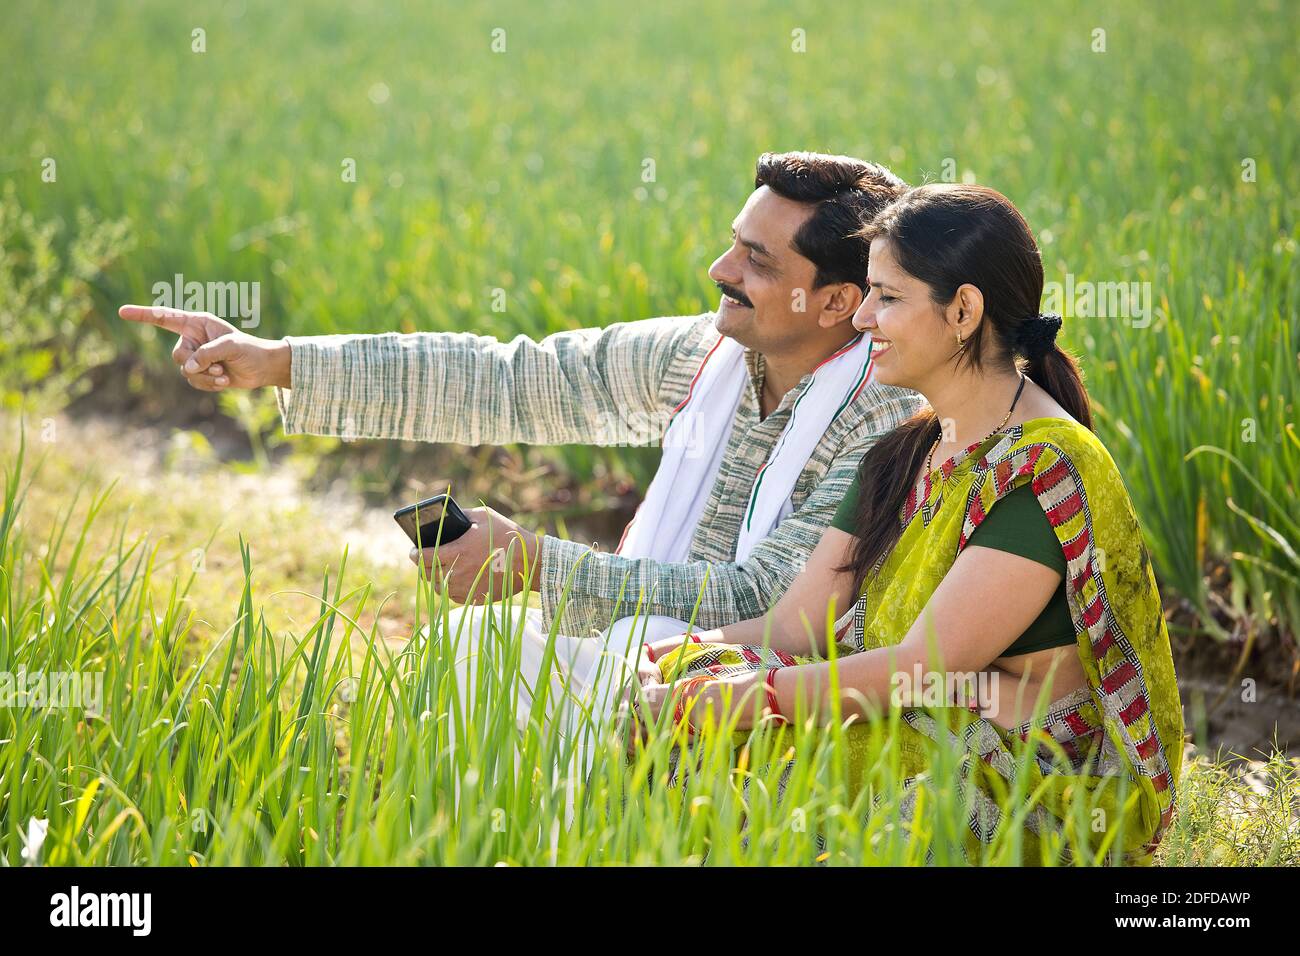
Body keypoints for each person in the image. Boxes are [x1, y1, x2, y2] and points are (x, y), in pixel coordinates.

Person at [118, 152, 923, 765]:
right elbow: (510, 380)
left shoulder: (885, 417)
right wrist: (282, 361)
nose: (721, 271)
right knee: (470, 660)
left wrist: (539, 565)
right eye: (732, 245)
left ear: (838, 303)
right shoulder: (704, 355)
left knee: (488, 667)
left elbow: (768, 600)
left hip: (769, 695)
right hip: (651, 653)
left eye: (758, 260)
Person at [630, 183, 1184, 863]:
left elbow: (920, 668)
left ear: (963, 310)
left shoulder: (1041, 472)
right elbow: (797, 626)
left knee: (789, 755)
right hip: (929, 705)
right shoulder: (902, 453)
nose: (861, 319)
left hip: (1022, 767)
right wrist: (670, 654)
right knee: (689, 673)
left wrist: (754, 699)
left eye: (886, 297)